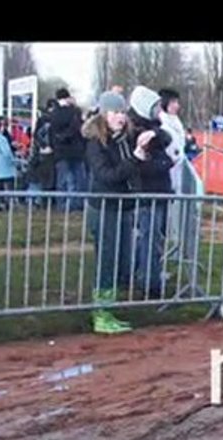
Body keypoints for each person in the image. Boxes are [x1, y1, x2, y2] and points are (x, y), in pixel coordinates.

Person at [82, 90, 149, 333]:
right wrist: (135, 158)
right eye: (115, 112)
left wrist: (144, 144)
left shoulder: (125, 138)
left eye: (123, 112)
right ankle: (101, 313)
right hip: (105, 208)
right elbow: (107, 176)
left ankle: (108, 308)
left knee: (122, 261)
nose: (121, 117)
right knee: (107, 261)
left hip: (124, 207)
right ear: (104, 113)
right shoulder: (95, 143)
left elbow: (158, 141)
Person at [128, 86, 175, 299]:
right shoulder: (137, 133)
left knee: (154, 238)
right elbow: (146, 166)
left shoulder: (154, 129)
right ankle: (149, 282)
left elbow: (165, 139)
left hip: (159, 191)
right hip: (149, 193)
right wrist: (166, 163)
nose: (160, 110)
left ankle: (147, 274)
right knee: (149, 238)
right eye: (156, 106)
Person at [50, 87, 87, 202]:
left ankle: (61, 203)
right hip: (76, 150)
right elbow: (80, 129)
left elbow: (51, 132)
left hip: (60, 151)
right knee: (79, 179)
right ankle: (78, 203)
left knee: (62, 179)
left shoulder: (53, 113)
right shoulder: (75, 112)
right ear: (68, 97)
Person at [158, 88, 187, 194]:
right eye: (173, 102)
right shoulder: (161, 124)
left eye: (177, 102)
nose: (177, 106)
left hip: (175, 172)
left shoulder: (176, 122)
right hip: (166, 174)